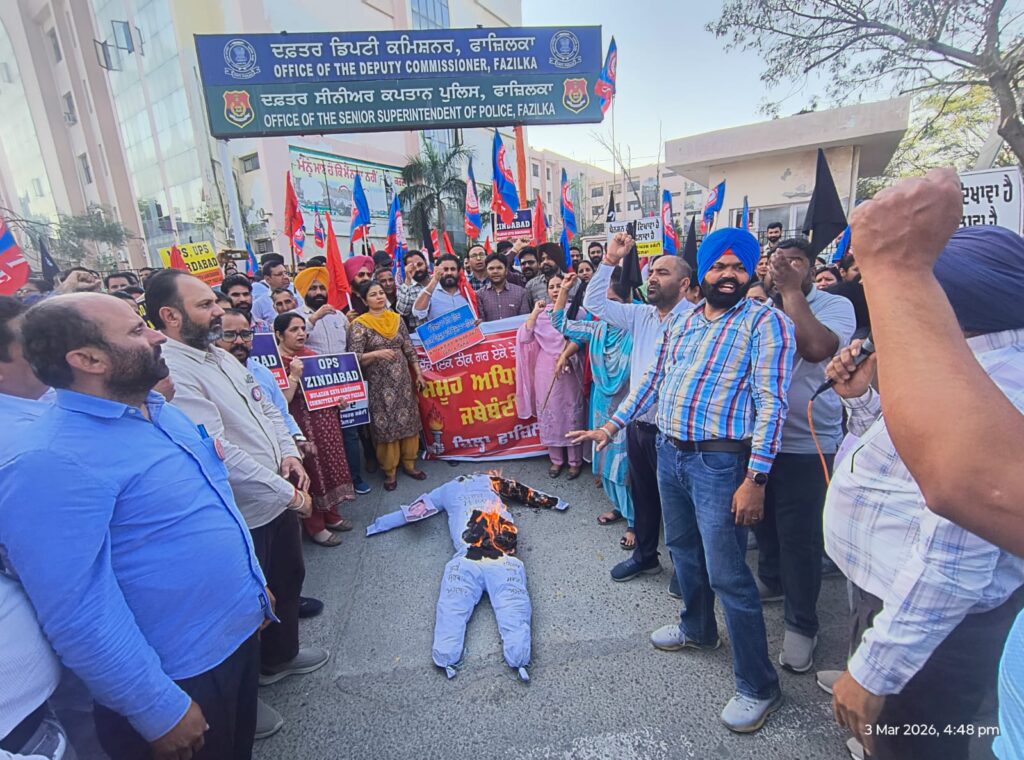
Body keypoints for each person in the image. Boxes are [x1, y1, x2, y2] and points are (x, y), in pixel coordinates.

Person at [809, 168, 1024, 759]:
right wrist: (862, 402)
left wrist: (875, 672)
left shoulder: (1002, 386)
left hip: (935, 629)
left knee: (914, 742)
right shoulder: (966, 363)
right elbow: (902, 458)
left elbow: (955, 564)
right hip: (890, 598)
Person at [0, 293, 272, 759]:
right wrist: (153, 707)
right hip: (175, 677)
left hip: (236, 641)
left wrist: (254, 588)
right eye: (135, 331)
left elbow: (212, 509)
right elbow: (77, 609)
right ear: (88, 360)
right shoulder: (49, 460)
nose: (156, 336)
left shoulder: (160, 412)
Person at [571, 227, 795, 733]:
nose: (729, 275)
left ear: (751, 272)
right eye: (719, 266)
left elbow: (772, 404)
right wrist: (611, 426)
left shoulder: (767, 323)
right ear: (704, 273)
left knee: (728, 574)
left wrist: (756, 478)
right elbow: (652, 379)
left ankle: (759, 686)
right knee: (684, 552)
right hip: (670, 454)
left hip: (720, 465)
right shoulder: (686, 319)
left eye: (738, 267)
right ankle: (697, 628)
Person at [147, 270, 329, 737]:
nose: (219, 312)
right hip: (241, 512)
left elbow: (265, 405)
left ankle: (280, 658)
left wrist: (289, 453)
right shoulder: (173, 370)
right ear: (170, 315)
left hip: (276, 496)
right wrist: (288, 492)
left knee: (287, 578)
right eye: (205, 305)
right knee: (247, 608)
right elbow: (218, 450)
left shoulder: (219, 355)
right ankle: (247, 699)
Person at [753, 237, 855, 674]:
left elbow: (816, 348)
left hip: (808, 442)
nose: (783, 267)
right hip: (761, 440)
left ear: (812, 268)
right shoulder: (760, 307)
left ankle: (801, 624)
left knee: (800, 537)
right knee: (764, 522)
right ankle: (772, 580)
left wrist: (791, 291)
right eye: (777, 262)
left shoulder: (835, 306)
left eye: (795, 262)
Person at [582, 240, 695, 583]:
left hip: (675, 431)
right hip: (638, 425)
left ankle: (687, 572)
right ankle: (646, 557)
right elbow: (593, 302)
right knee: (643, 496)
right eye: (652, 272)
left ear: (685, 284)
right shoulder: (640, 314)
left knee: (679, 506)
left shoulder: (696, 320)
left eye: (663, 272)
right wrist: (609, 260)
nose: (653, 278)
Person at [0, 296, 72, 760]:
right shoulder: (14, 447)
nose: (50, 350)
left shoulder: (48, 401)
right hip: (62, 642)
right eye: (32, 344)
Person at [550, 271, 634, 546]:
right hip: (600, 401)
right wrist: (564, 290)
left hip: (627, 405)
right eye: (605, 304)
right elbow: (559, 323)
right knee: (604, 458)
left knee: (624, 465)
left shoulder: (638, 330)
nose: (609, 309)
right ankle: (619, 508)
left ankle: (635, 522)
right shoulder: (596, 329)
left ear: (628, 304)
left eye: (614, 303)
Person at [273, 312, 356, 546]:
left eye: (302, 328)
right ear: (279, 334)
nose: (301, 333)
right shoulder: (275, 364)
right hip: (300, 426)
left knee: (329, 468)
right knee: (310, 473)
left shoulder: (312, 357)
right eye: (294, 330)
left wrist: (340, 399)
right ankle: (315, 526)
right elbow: (281, 402)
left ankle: (332, 515)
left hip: (326, 425)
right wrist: (294, 376)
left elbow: (330, 388)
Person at [348, 280, 427, 491]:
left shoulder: (396, 319)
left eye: (381, 293)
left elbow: (408, 348)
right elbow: (353, 357)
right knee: (385, 425)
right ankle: (390, 471)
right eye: (373, 294)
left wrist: (418, 374)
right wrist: (375, 354)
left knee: (409, 420)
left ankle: (410, 464)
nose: (379, 297)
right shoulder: (359, 325)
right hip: (378, 384)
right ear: (365, 300)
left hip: (403, 382)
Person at [516, 274, 585, 479]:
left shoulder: (578, 311)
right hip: (545, 368)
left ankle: (575, 461)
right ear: (546, 291)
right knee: (550, 411)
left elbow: (583, 338)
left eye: (559, 286)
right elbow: (524, 337)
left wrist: (568, 354)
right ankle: (556, 460)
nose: (555, 290)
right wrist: (534, 313)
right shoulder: (541, 313)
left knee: (571, 412)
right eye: (552, 287)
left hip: (570, 365)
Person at [412, 254, 470, 323]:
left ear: (458, 271)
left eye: (453, 269)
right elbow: (418, 313)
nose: (449, 273)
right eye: (445, 269)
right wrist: (434, 280)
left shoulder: (466, 290)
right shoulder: (430, 292)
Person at [476, 253, 530, 322]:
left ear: (506, 271)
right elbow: (481, 322)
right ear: (486, 271)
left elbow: (525, 321)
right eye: (491, 268)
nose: (495, 271)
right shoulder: (480, 295)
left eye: (499, 268)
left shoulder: (521, 293)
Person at [826, 252, 869, 338]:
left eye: (865, 269)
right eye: (856, 270)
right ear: (842, 272)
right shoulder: (832, 293)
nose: (862, 273)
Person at [396, 250, 431, 330]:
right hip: (421, 334)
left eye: (420, 264)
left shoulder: (436, 281)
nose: (417, 269)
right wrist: (408, 280)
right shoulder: (405, 288)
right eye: (413, 267)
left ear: (425, 263)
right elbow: (403, 311)